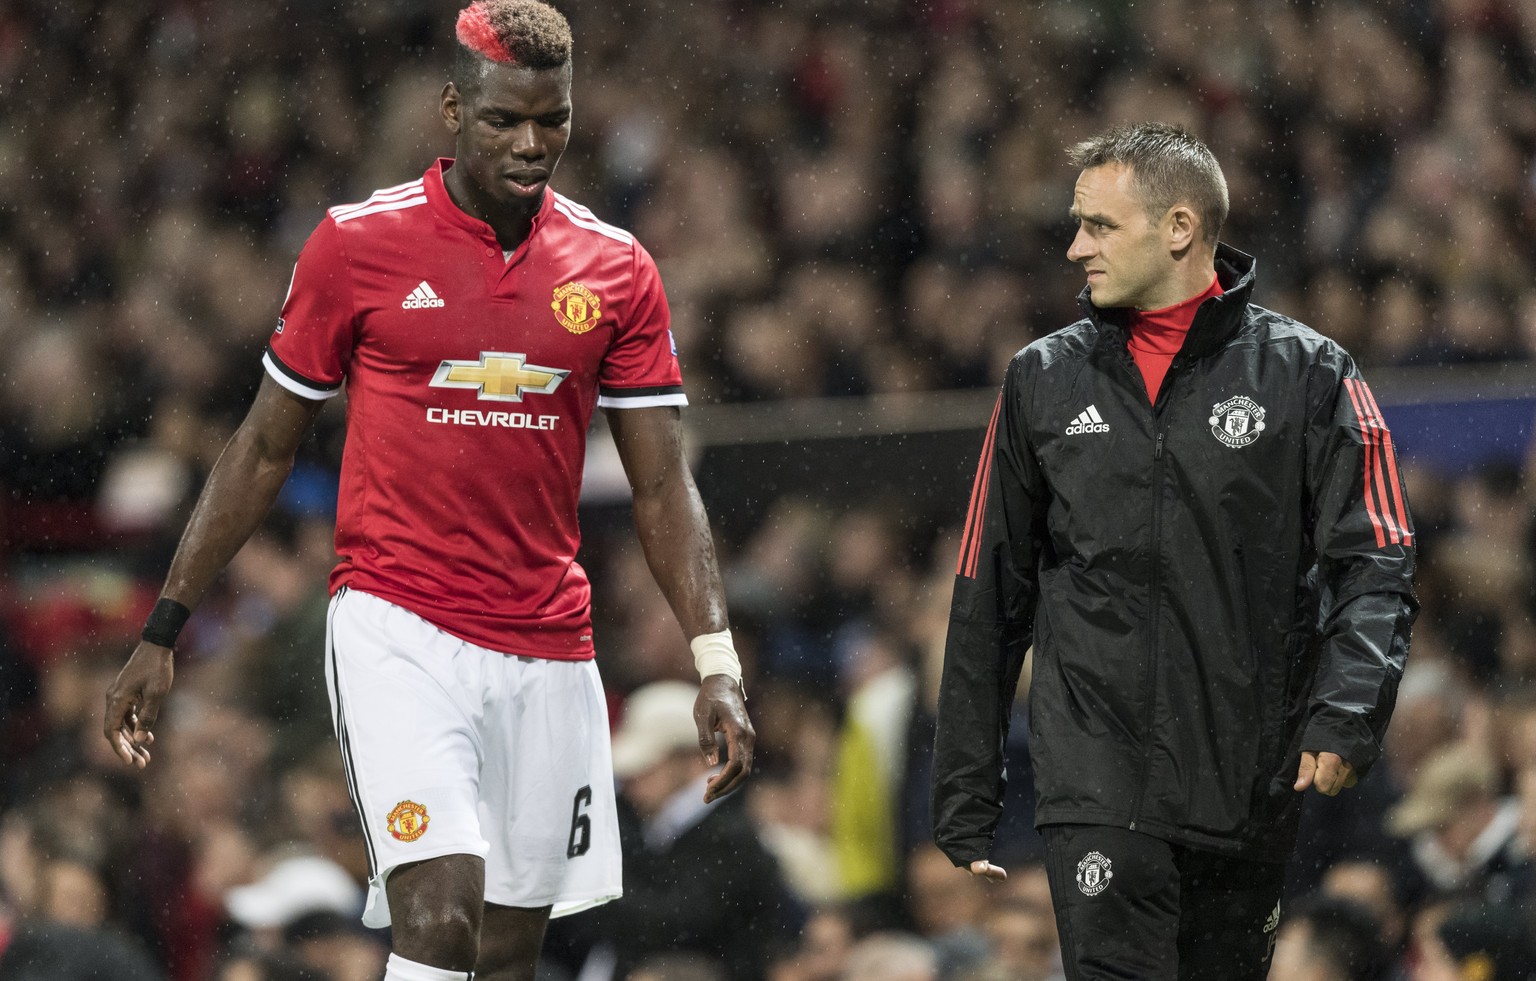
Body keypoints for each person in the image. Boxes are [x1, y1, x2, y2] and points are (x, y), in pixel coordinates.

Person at [102, 3, 754, 980]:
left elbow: (663, 483)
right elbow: (262, 447)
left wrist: (715, 659)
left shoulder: (616, 270)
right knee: (439, 916)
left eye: (554, 119)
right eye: (504, 121)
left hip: (549, 649)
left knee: (503, 955)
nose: (533, 145)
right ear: (452, 107)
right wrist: (165, 626)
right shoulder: (356, 246)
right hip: (398, 627)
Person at [932, 122, 1416, 980]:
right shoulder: (1041, 379)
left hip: (1246, 782)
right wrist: (967, 786)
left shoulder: (1312, 374)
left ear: (1181, 228)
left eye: (1100, 226)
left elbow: (1375, 561)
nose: (1077, 247)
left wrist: (1347, 715)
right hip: (1096, 779)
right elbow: (988, 584)